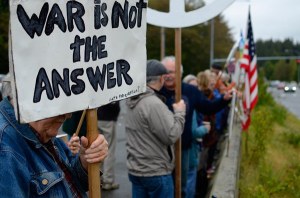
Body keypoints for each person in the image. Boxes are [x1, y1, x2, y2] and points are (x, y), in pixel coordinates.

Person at [0, 78, 108, 197]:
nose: (68, 115)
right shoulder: (5, 148)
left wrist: (85, 162)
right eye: (58, 106)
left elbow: (69, 183)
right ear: (26, 101)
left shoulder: (39, 130)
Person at [160, 56, 233, 197]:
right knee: (164, 188)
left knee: (181, 187)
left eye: (172, 72)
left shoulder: (190, 91)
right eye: (165, 72)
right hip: (160, 149)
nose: (168, 75)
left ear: (179, 73)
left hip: (183, 147)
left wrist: (223, 100)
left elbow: (208, 107)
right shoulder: (156, 91)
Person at [125, 59, 186, 198]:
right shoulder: (153, 103)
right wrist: (180, 113)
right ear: (162, 78)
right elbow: (171, 135)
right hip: (155, 171)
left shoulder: (131, 99)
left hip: (136, 169)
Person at [97, 102, 120, 190]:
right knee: (109, 150)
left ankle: (99, 178)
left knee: (99, 148)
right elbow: (113, 103)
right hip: (108, 118)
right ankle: (107, 181)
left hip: (97, 117)